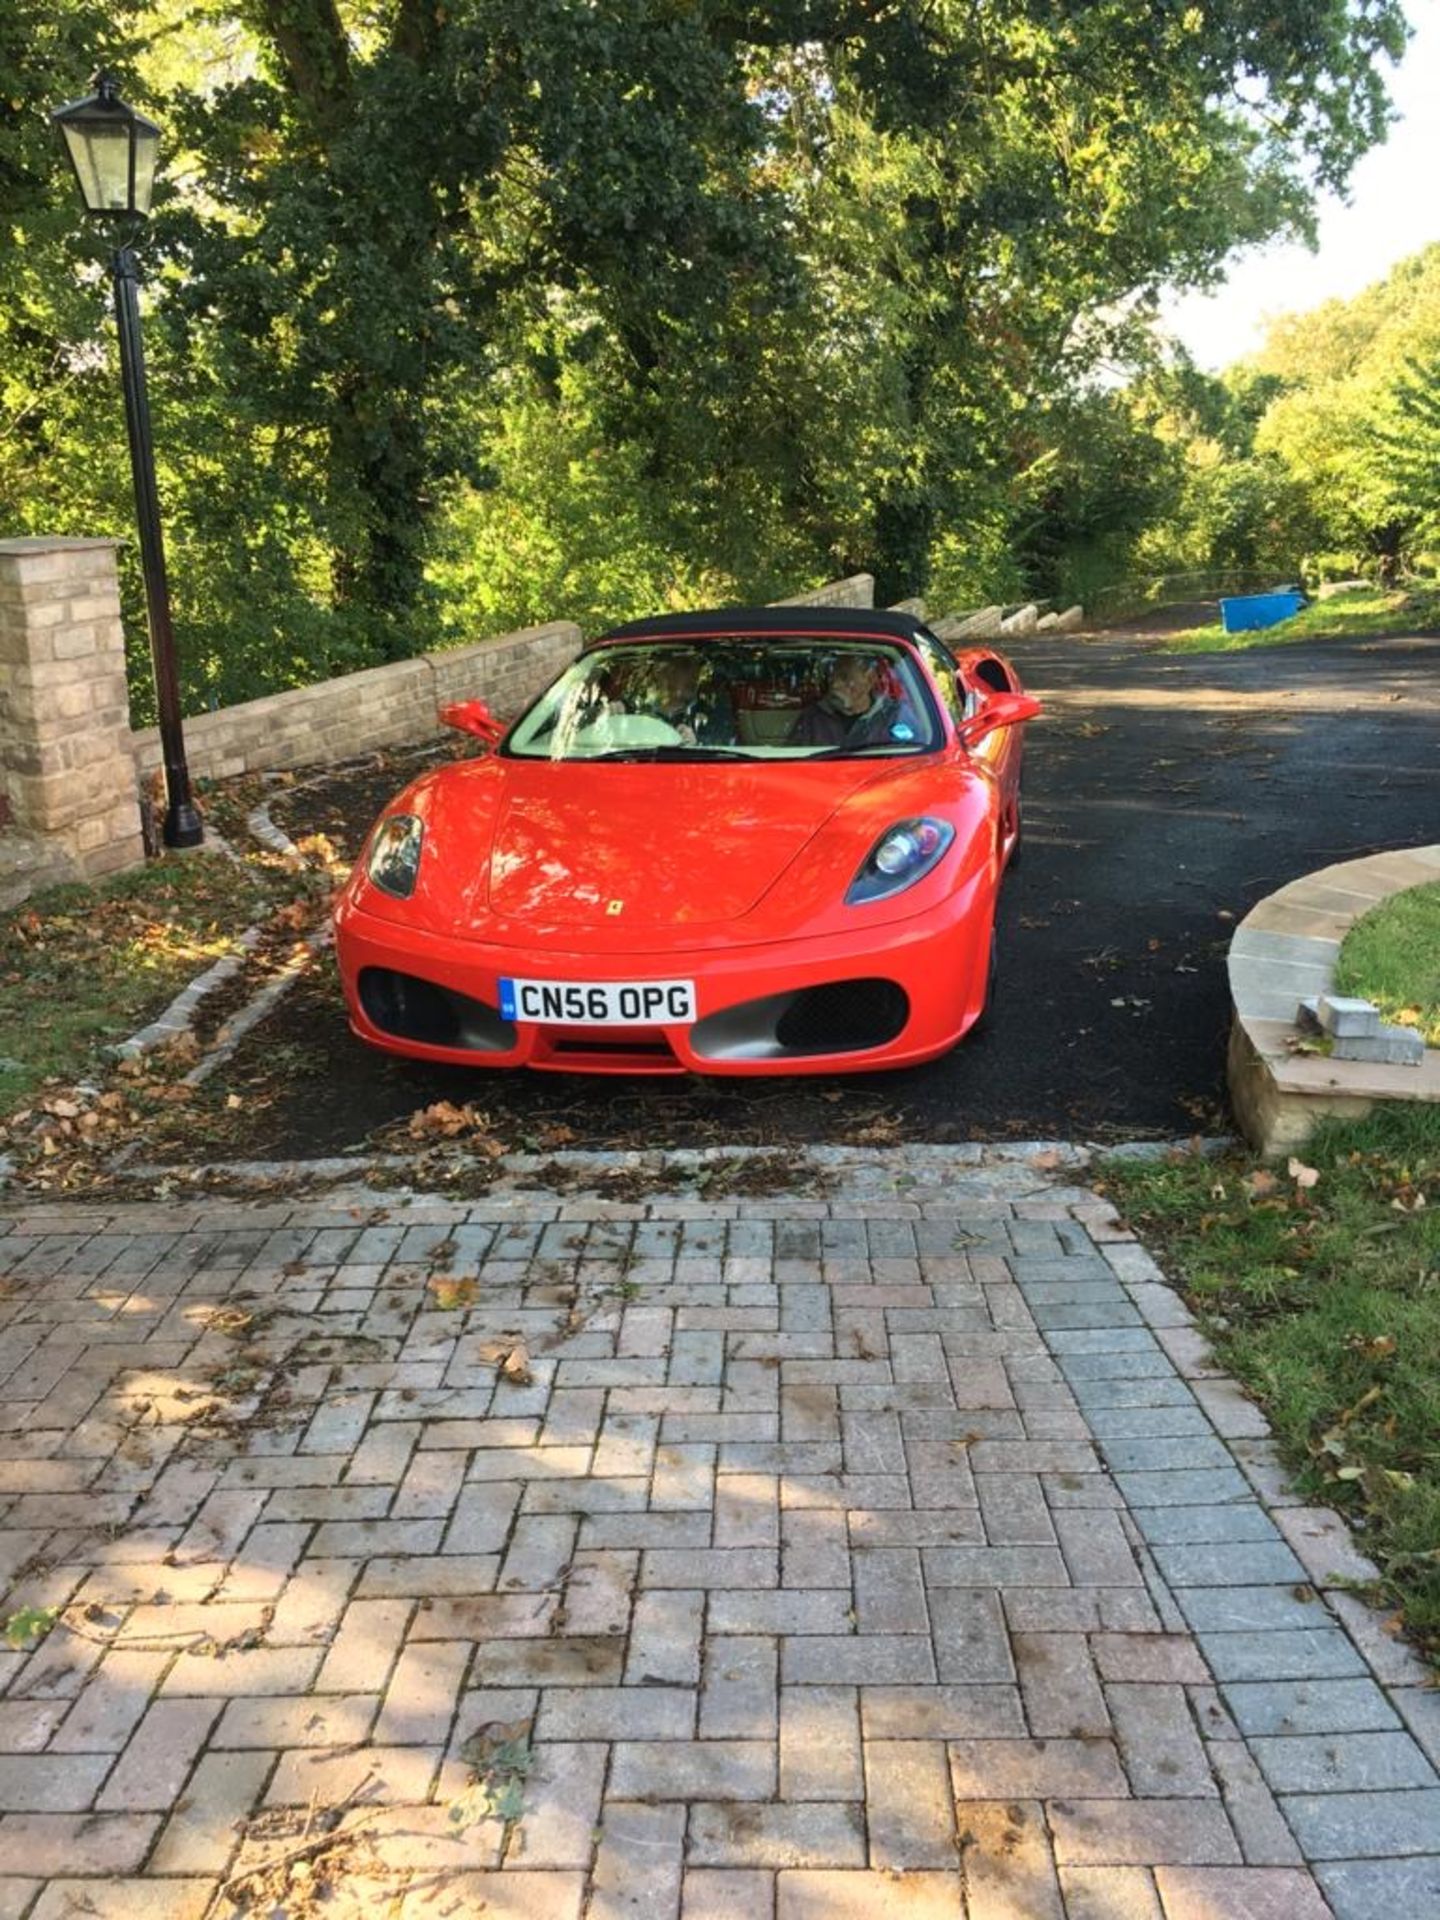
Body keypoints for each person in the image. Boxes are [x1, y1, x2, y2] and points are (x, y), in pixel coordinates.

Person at [787, 652, 916, 748]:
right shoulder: (812, 717)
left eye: (844, 677)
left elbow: (917, 754)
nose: (835, 685)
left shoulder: (894, 714)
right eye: (832, 676)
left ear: (870, 679)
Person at [634, 650, 734, 745]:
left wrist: (698, 744)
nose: (694, 673)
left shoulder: (711, 712)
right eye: (685, 666)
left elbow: (726, 747)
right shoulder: (640, 716)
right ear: (665, 673)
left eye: (698, 667)